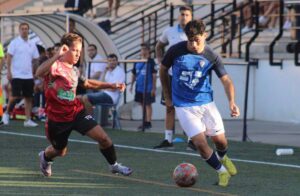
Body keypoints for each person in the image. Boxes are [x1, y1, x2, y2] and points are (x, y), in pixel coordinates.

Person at [36, 33, 132, 177]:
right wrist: (56, 55)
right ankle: (45, 157)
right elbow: (38, 72)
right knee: (60, 151)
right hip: (57, 119)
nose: (78, 54)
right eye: (75, 50)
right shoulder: (55, 65)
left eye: (80, 51)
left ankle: (114, 165)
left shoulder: (74, 70)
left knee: (104, 139)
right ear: (65, 49)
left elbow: (87, 83)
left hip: (76, 112)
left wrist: (112, 85)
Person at [160, 19, 239, 187]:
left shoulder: (212, 55)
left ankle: (223, 156)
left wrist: (232, 102)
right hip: (184, 106)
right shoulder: (175, 51)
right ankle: (221, 172)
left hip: (206, 103)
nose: (194, 44)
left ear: (205, 35)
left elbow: (226, 80)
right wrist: (167, 96)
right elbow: (163, 69)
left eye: (197, 40)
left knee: (221, 142)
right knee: (200, 143)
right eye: (190, 40)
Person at [154, 5, 194, 149]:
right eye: (182, 14)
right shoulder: (169, 31)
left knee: (189, 108)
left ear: (191, 17)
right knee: (169, 107)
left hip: (188, 77)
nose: (184, 17)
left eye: (187, 15)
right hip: (171, 75)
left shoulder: (195, 33)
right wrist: (160, 62)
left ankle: (192, 140)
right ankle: (168, 139)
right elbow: (159, 46)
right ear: (178, 16)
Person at [3, 22, 39, 127]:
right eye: (22, 29)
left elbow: (36, 59)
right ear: (19, 30)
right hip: (17, 74)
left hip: (28, 76)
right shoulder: (14, 43)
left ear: (28, 30)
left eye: (26, 29)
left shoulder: (32, 44)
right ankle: (6, 113)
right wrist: (9, 72)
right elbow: (8, 57)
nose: (24, 30)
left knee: (28, 97)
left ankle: (27, 120)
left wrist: (35, 71)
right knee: (15, 96)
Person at [81, 53, 125, 126]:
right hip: (105, 93)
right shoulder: (108, 71)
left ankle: (90, 120)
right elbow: (102, 83)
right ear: (107, 62)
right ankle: (91, 119)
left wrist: (104, 87)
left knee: (85, 98)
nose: (112, 62)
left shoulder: (120, 72)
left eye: (114, 60)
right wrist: (104, 72)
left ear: (117, 61)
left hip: (111, 97)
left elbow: (114, 89)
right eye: (110, 61)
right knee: (81, 98)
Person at [129, 43, 157, 130]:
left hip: (148, 87)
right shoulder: (137, 61)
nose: (143, 51)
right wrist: (131, 85)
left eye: (145, 49)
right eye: (142, 49)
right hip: (139, 87)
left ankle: (148, 122)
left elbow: (154, 75)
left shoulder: (151, 61)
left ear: (148, 50)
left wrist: (153, 88)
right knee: (142, 104)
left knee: (148, 104)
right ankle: (144, 121)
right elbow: (134, 74)